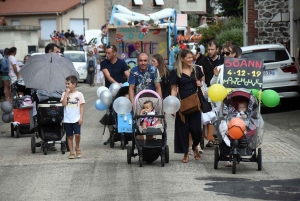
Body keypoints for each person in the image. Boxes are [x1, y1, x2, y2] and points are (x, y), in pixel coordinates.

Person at [169, 49, 203, 163]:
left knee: (197, 129)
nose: (191, 59)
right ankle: (185, 153)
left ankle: (194, 147)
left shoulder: (197, 70)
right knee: (183, 130)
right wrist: (173, 105)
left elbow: (202, 84)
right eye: (188, 58)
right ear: (182, 59)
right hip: (182, 104)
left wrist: (199, 83)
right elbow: (173, 89)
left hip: (195, 103)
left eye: (191, 57)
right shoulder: (175, 72)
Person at [101, 45, 130, 145]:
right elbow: (108, 76)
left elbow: (128, 75)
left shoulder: (122, 63)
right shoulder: (104, 63)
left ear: (114, 53)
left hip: (121, 92)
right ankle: (111, 135)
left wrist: (130, 83)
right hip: (109, 92)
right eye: (106, 53)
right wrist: (117, 84)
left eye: (109, 53)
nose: (107, 55)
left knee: (122, 112)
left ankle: (125, 134)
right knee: (109, 114)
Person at [61, 75, 85, 159]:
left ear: (74, 85)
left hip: (76, 118)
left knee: (77, 134)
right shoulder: (64, 94)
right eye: (66, 84)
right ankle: (71, 152)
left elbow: (81, 106)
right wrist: (66, 93)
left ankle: (77, 147)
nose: (67, 85)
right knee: (70, 136)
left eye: (68, 84)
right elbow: (63, 104)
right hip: (67, 119)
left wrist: (81, 117)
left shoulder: (79, 94)